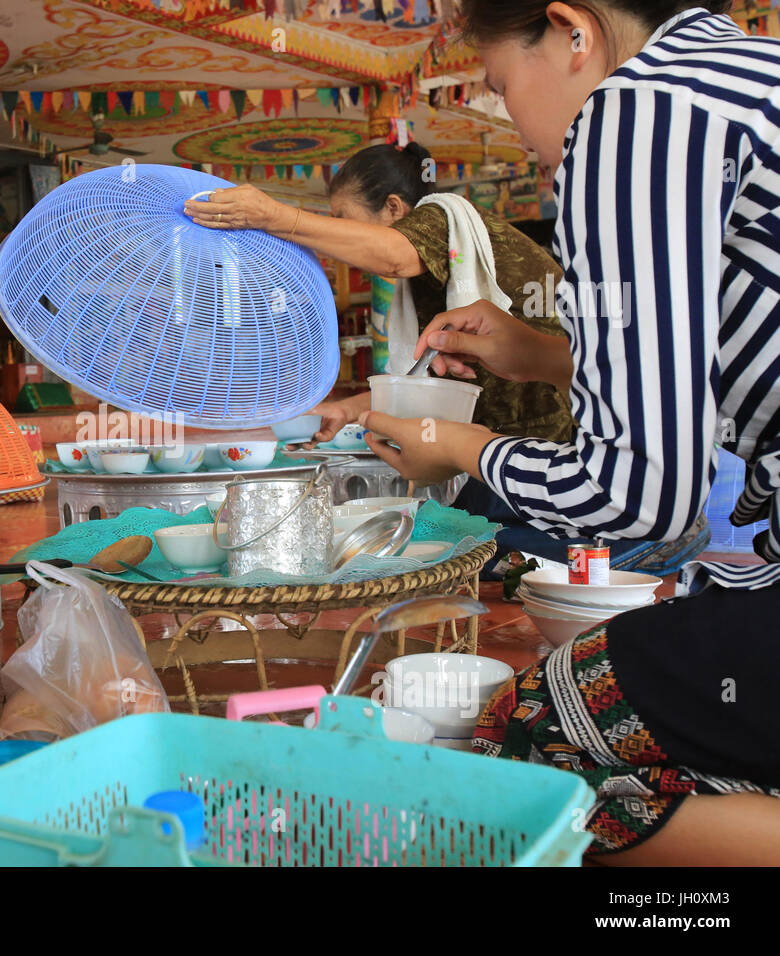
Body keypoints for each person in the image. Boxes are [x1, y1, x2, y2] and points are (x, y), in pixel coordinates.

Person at [359, 1, 780, 863]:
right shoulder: (750, 76)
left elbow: (640, 499)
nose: (513, 127)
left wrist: (457, 449)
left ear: (572, 31)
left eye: (502, 86)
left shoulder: (635, 114)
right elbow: (718, 361)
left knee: (525, 727)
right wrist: (544, 355)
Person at [183, 142, 708, 574]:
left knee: (472, 554)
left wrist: (276, 217)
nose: (336, 236)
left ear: (393, 208)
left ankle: (649, 545)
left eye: (342, 219)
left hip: (556, 439)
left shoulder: (442, 219)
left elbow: (390, 251)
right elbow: (431, 373)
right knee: (456, 544)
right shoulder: (437, 280)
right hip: (504, 444)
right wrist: (351, 407)